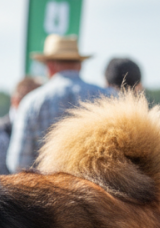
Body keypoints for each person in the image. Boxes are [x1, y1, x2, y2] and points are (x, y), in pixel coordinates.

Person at [7, 34, 109, 172]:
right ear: (79, 65)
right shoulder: (107, 96)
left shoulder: (32, 102)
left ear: (50, 66)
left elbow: (18, 163)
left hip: (49, 190)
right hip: (98, 189)